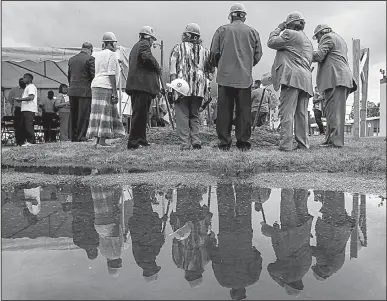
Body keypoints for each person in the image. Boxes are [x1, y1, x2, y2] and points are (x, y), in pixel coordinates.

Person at [208, 3, 262, 151]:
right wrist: (247, 65)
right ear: (244, 16)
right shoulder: (253, 32)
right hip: (244, 78)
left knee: (224, 111)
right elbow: (258, 55)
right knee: (243, 111)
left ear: (231, 15)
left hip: (225, 78)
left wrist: (220, 65)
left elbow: (213, 53)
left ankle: (224, 143)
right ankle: (243, 143)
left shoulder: (222, 30)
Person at [267, 12, 314, 152]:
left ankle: (286, 145)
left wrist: (279, 28)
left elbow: (271, 42)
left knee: (287, 112)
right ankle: (303, 144)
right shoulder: (308, 41)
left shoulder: (289, 34)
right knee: (301, 113)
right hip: (306, 79)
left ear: (290, 24)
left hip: (292, 78)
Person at [207, 183, 263, 300]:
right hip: (226, 239)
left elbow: (258, 259)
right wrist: (212, 245)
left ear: (244, 291)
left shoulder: (252, 279)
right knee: (225, 211)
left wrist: (253, 251)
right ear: (232, 292)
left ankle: (242, 184)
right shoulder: (223, 282)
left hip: (244, 238)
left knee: (244, 211)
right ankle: (224, 184)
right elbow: (216, 261)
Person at [169, 23, 214, 150]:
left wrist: (172, 88)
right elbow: (211, 74)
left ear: (187, 35)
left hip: (182, 85)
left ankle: (185, 143)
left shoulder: (178, 48)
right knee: (194, 114)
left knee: (182, 115)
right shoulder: (206, 52)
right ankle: (196, 141)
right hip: (199, 87)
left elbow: (173, 70)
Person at [261, 188, 313, 297]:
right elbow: (271, 269)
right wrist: (281, 282)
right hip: (290, 232)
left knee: (301, 201)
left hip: (304, 230)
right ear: (289, 285)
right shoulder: (289, 276)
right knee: (287, 200)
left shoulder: (305, 269)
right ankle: (287, 180)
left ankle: (302, 177)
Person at [312, 24, 357, 148]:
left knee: (334, 112)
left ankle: (335, 142)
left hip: (336, 77)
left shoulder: (327, 37)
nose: (318, 41)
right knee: (332, 111)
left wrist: (303, 52)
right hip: (341, 77)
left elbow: (319, 56)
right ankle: (330, 139)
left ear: (321, 33)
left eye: (317, 38)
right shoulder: (339, 39)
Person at [86, 32, 125, 147]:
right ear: (111, 44)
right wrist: (115, 91)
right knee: (105, 113)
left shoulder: (96, 54)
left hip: (95, 85)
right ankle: (102, 142)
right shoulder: (112, 55)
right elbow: (111, 74)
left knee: (97, 113)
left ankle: (97, 141)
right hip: (105, 85)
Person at [170, 186, 213, 288]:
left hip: (198, 225)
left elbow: (209, 242)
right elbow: (175, 243)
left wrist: (208, 222)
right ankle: (184, 182)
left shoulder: (205, 261)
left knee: (194, 200)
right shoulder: (179, 263)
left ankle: (191, 182)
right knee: (183, 201)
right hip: (184, 225)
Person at [126, 26, 161, 150]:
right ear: (148, 37)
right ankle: (134, 141)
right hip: (142, 86)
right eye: (152, 39)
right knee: (139, 114)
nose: (152, 43)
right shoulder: (144, 45)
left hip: (137, 85)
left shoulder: (135, 47)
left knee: (141, 114)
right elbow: (147, 57)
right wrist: (158, 67)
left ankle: (141, 139)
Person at [311, 190, 356, 281]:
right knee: (332, 204)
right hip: (332, 231)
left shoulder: (335, 268)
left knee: (337, 205)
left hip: (339, 231)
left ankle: (335, 187)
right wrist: (306, 250)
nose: (316, 264)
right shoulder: (325, 269)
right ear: (318, 271)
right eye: (316, 267)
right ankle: (333, 185)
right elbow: (320, 254)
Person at [128, 185, 167, 283]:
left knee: (143, 202)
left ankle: (140, 182)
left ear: (153, 269)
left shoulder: (150, 256)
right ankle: (136, 184)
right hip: (137, 224)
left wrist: (161, 221)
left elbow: (155, 237)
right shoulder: (140, 260)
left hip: (145, 223)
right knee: (138, 204)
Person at [68, 42, 95, 142]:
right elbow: (93, 76)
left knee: (74, 115)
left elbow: (69, 76)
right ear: (90, 49)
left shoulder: (72, 59)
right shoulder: (90, 59)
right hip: (84, 91)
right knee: (83, 115)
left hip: (72, 90)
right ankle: (81, 136)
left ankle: (74, 137)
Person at [14, 73, 38, 146]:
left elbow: (31, 97)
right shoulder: (27, 87)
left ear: (30, 79)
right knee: (26, 125)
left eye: (25, 77)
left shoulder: (31, 87)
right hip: (26, 109)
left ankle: (32, 141)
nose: (23, 79)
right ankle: (29, 141)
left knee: (28, 125)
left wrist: (20, 99)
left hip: (29, 109)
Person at [7, 78, 26, 145]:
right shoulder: (14, 90)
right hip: (18, 109)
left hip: (26, 109)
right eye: (22, 82)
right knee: (18, 126)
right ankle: (19, 141)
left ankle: (24, 140)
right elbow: (10, 101)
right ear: (19, 83)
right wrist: (13, 108)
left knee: (26, 125)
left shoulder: (28, 89)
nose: (23, 83)